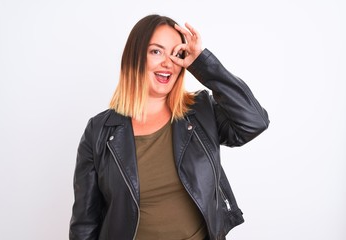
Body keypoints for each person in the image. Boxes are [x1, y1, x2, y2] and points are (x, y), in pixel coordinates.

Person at [69, 14, 269, 240]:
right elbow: (85, 224)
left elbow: (254, 121)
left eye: (176, 54)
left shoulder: (201, 112)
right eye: (156, 51)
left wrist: (203, 64)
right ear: (134, 57)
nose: (167, 62)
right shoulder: (99, 131)